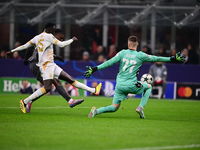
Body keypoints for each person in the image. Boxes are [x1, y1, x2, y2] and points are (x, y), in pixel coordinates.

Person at [6, 23, 102, 114]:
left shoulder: (37, 37)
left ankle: (93, 90)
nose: (54, 30)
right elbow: (61, 45)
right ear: (50, 29)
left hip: (52, 65)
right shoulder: (49, 36)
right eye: (53, 28)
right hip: (46, 66)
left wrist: (12, 51)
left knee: (70, 79)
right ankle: (25, 101)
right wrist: (72, 39)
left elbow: (25, 46)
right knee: (47, 88)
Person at [84, 36, 185, 119]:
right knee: (148, 86)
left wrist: (94, 69)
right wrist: (172, 58)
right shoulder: (140, 55)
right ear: (137, 44)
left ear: (128, 44)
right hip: (131, 85)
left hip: (119, 85)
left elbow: (109, 63)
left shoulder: (122, 53)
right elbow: (156, 58)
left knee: (114, 107)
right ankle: (140, 107)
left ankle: (96, 111)